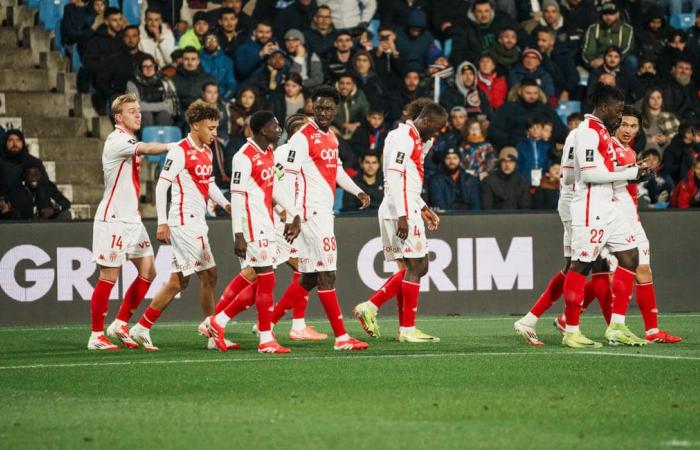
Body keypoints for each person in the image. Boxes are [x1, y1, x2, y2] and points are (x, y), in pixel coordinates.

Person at [264, 85, 372, 351]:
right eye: (319, 107)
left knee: (310, 277)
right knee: (327, 274)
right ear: (311, 106)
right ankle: (342, 337)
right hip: (310, 216)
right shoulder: (302, 138)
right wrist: (294, 214)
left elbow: (335, 169)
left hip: (323, 213)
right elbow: (281, 179)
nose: (323, 113)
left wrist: (358, 190)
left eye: (328, 109)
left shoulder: (331, 137)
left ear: (336, 110)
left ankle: (268, 323)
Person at [562, 108, 680, 343]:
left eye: (633, 126)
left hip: (630, 216)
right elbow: (597, 176)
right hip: (607, 215)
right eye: (624, 124)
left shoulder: (629, 151)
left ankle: (651, 330)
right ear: (615, 125)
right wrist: (632, 173)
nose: (628, 130)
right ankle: (577, 321)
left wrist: (638, 173)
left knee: (641, 269)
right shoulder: (605, 145)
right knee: (598, 273)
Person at [128, 101, 232, 351]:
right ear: (195, 125)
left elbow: (209, 185)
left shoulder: (206, 151)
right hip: (183, 222)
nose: (214, 133)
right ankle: (212, 332)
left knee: (180, 281)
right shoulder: (180, 151)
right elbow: (162, 185)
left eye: (216, 127)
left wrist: (226, 204)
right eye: (211, 128)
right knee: (208, 274)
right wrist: (162, 223)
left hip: (198, 221)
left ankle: (142, 328)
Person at [204, 111, 301, 353]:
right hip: (250, 227)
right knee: (266, 280)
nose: (279, 129)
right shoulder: (243, 157)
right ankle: (266, 339)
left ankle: (218, 321)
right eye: (275, 125)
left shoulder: (268, 153)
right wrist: (238, 233)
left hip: (267, 225)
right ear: (262, 130)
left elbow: (275, 187)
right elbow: (236, 197)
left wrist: (294, 213)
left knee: (259, 283)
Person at [560, 84, 646, 349]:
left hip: (610, 207)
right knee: (580, 267)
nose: (620, 117)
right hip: (590, 208)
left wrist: (629, 169)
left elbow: (596, 169)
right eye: (618, 111)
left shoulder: (602, 132)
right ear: (605, 107)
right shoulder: (587, 132)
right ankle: (571, 331)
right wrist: (629, 174)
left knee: (631, 256)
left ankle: (617, 326)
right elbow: (587, 174)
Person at [352, 102, 446, 342]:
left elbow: (409, 178)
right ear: (424, 121)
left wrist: (423, 206)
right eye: (436, 128)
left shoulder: (404, 136)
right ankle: (372, 306)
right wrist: (404, 213)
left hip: (398, 205)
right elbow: (394, 175)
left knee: (406, 270)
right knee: (420, 267)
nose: (436, 133)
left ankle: (406, 329)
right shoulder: (405, 137)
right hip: (400, 208)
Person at [87, 93, 174, 350]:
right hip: (113, 219)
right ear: (118, 117)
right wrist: (175, 145)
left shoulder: (128, 138)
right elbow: (147, 148)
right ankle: (95, 336)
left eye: (138, 110)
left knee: (149, 272)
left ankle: (120, 323)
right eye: (131, 111)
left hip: (132, 220)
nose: (138, 114)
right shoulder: (117, 140)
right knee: (109, 276)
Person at [488, 78, 566, 150]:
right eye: (528, 93)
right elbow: (494, 131)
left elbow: (560, 130)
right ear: (520, 92)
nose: (532, 96)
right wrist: (513, 142)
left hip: (543, 149)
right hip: (515, 148)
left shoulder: (546, 109)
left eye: (535, 93)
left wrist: (548, 139)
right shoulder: (508, 108)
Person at [449, 0, 522, 68]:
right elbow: (458, 53)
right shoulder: (464, 26)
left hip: (502, 62)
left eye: (487, 11)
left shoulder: (501, 19)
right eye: (479, 11)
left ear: (491, 11)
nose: (484, 15)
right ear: (473, 12)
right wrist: (480, 61)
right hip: (479, 64)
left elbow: (521, 34)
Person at [95, 26, 148, 108]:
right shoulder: (114, 59)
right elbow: (101, 80)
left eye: (134, 36)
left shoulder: (147, 59)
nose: (131, 39)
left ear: (139, 38)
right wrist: (112, 94)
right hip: (120, 97)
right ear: (123, 38)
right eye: (128, 36)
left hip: (144, 96)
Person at [126, 55, 179, 126]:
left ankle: (163, 137)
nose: (149, 69)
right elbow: (136, 106)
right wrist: (163, 105)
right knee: (146, 115)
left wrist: (144, 105)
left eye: (151, 66)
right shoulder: (132, 83)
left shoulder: (165, 80)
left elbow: (170, 106)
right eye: (145, 66)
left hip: (162, 115)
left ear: (155, 67)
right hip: (141, 117)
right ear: (140, 68)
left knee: (164, 115)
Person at [581, 3, 635, 70]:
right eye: (605, 14)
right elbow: (588, 50)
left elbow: (628, 48)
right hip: (599, 58)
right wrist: (591, 62)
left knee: (632, 60)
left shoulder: (627, 28)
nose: (608, 17)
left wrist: (610, 59)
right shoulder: (593, 28)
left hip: (620, 58)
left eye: (611, 14)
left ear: (617, 15)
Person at [171, 47, 217, 113]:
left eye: (193, 59)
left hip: (203, 115)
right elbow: (172, 103)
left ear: (198, 61)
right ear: (182, 61)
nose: (190, 62)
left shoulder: (209, 79)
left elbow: (214, 101)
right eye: (186, 59)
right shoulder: (173, 80)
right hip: (179, 117)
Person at [199, 32, 237, 101]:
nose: (211, 43)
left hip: (222, 98)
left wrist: (224, 98)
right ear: (204, 43)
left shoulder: (227, 61)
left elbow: (231, 83)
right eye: (208, 40)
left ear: (218, 43)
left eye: (214, 40)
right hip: (203, 98)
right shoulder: (198, 60)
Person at [332, 73, 369, 141]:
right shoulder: (332, 95)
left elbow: (366, 113)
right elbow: (327, 115)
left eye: (348, 83)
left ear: (353, 85)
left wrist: (358, 124)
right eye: (342, 83)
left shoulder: (360, 96)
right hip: (336, 131)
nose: (344, 86)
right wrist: (343, 124)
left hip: (354, 131)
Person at [516, 118, 551, 187]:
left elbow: (549, 164)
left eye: (537, 127)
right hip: (525, 182)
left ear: (542, 129)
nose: (535, 130)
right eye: (532, 127)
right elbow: (518, 165)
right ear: (528, 130)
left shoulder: (547, 146)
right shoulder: (521, 146)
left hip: (543, 182)